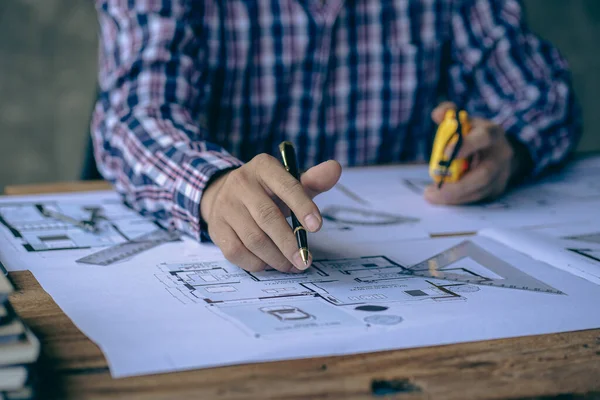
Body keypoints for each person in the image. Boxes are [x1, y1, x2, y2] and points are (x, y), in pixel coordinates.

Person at [92, 0, 581, 274]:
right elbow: (133, 116)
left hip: (413, 261)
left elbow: (542, 93)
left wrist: (509, 149)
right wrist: (214, 187)